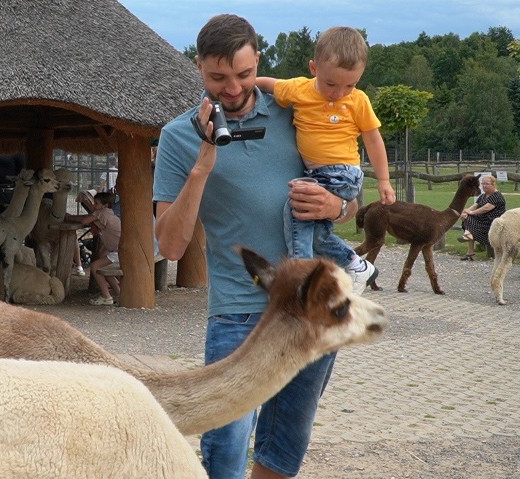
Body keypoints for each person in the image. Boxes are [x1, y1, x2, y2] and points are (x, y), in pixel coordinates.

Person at [153, 14, 355, 479]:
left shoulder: (298, 111)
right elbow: (171, 244)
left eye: (243, 75)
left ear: (258, 62)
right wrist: (202, 166)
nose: (232, 87)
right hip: (239, 310)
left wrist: (334, 204)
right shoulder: (178, 136)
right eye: (217, 78)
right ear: (199, 67)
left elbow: (350, 207)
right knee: (225, 446)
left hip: (313, 302)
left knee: (286, 443)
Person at [255, 26, 392, 293]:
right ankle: (358, 266)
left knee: (297, 208)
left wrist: (384, 180)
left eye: (350, 85)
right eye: (331, 84)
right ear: (314, 67)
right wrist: (246, 83)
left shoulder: (359, 101)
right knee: (318, 234)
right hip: (322, 173)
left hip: (341, 173)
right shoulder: (299, 89)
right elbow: (270, 84)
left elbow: (373, 140)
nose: (340, 92)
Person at [65, 192, 121, 305]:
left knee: (95, 267)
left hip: (118, 252)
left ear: (105, 205)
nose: (94, 205)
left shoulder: (101, 213)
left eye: (96, 203)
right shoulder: (108, 213)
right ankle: (119, 293)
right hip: (118, 250)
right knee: (104, 268)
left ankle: (106, 297)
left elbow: (84, 220)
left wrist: (68, 217)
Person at [459, 174, 505, 261]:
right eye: (482, 183)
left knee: (469, 221)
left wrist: (471, 213)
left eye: (487, 184)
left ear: (493, 184)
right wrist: (465, 212)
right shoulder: (483, 196)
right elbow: (475, 205)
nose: (484, 186)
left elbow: (485, 208)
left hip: (492, 222)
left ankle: (468, 238)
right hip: (482, 221)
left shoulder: (497, 196)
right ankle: (469, 246)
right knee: (467, 219)